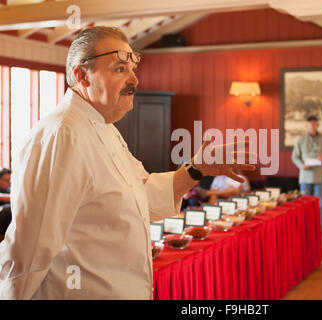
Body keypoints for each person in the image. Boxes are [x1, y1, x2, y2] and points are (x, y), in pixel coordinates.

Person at [0, 26, 254, 299]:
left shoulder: (103, 127)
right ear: (81, 75)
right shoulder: (62, 134)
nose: (134, 79)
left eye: (133, 69)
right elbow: (30, 250)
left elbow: (141, 194)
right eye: (120, 69)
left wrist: (196, 169)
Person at [291, 115, 322, 235]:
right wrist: (301, 165)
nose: (312, 126)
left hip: (320, 177)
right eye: (310, 124)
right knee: (304, 205)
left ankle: (320, 231)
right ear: (307, 126)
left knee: (320, 205)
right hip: (305, 177)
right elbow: (294, 157)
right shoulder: (300, 140)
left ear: (318, 125)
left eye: (314, 124)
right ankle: (305, 230)